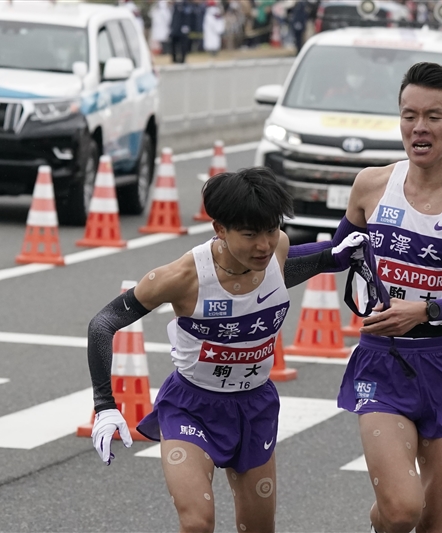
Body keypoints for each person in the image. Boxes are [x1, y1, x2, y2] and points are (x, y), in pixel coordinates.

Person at [85, 167, 366, 532]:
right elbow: (103, 323)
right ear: (220, 229)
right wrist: (105, 407)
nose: (263, 245)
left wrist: (334, 254)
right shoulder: (181, 277)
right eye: (250, 235)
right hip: (191, 407)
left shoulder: (275, 250)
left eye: (270, 230)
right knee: (197, 523)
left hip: (255, 405)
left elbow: (285, 269)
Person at [325, 61, 442, 532]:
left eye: (433, 116)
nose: (419, 128)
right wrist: (257, 252)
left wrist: (424, 309)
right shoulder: (371, 185)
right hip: (382, 361)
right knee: (403, 509)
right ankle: (384, 519)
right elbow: (339, 254)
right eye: (409, 115)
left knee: (436, 517)